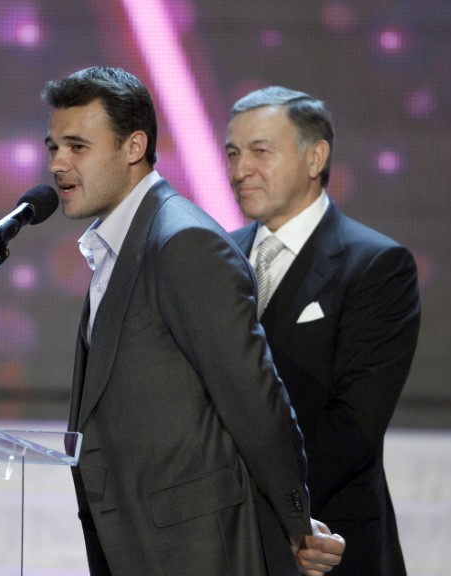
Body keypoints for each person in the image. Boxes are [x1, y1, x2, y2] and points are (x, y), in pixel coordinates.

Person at [42, 66, 345, 576]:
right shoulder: (118, 244)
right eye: (53, 147)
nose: (57, 164)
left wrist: (294, 521)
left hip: (198, 547)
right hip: (138, 540)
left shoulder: (182, 242)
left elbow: (253, 397)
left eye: (77, 146)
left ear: (133, 146)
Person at [226, 86, 420, 576]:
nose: (239, 169)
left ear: (316, 157)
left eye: (260, 151)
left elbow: (353, 425)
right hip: (229, 538)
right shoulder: (216, 257)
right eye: (232, 152)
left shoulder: (375, 264)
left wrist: (274, 509)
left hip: (327, 541)